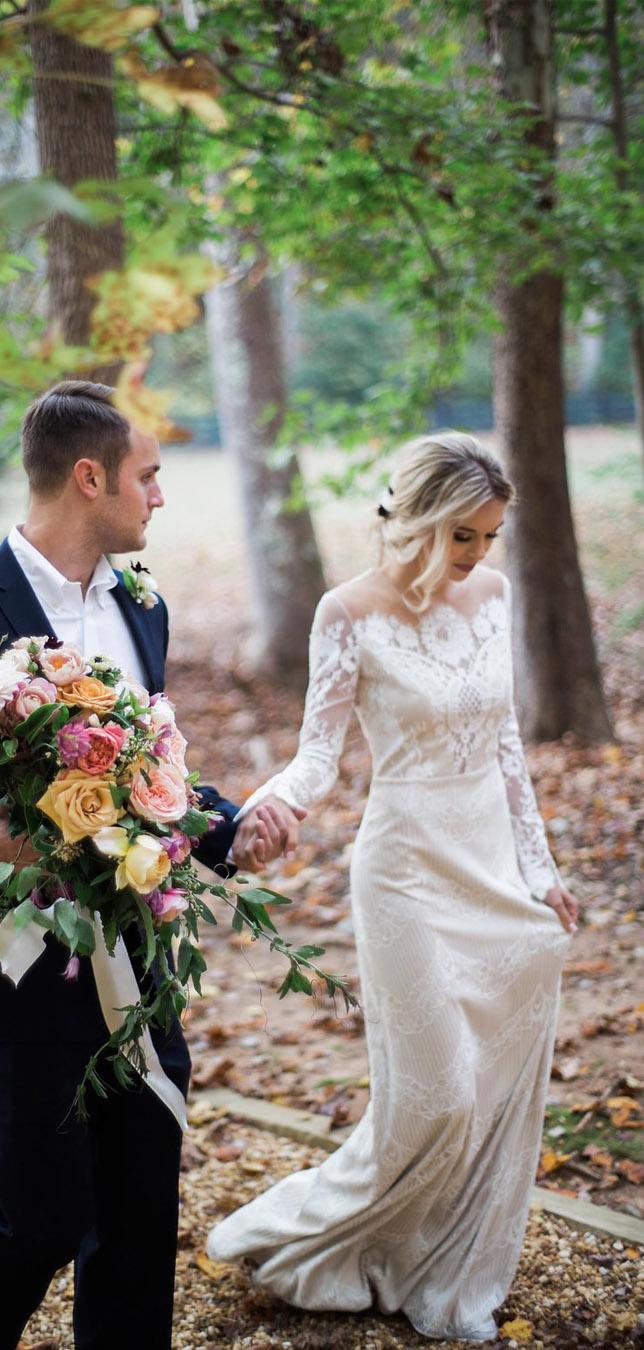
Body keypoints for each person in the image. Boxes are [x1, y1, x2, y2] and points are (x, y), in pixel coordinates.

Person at [0, 381, 303, 1350]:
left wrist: (223, 831)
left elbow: (148, 766)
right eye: (150, 475)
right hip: (15, 968)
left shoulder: (143, 607)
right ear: (90, 478)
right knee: (47, 1215)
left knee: (138, 1218)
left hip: (138, 958)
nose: (161, 497)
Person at [207, 433, 579, 1343]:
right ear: (416, 521)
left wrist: (542, 868)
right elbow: (318, 757)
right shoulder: (347, 612)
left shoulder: (491, 596)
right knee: (435, 1095)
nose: (478, 557)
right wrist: (260, 813)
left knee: (486, 1086)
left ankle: (443, 1264)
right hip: (406, 870)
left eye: (489, 538)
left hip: (490, 861)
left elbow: (506, 749)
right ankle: (303, 1237)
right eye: (464, 536)